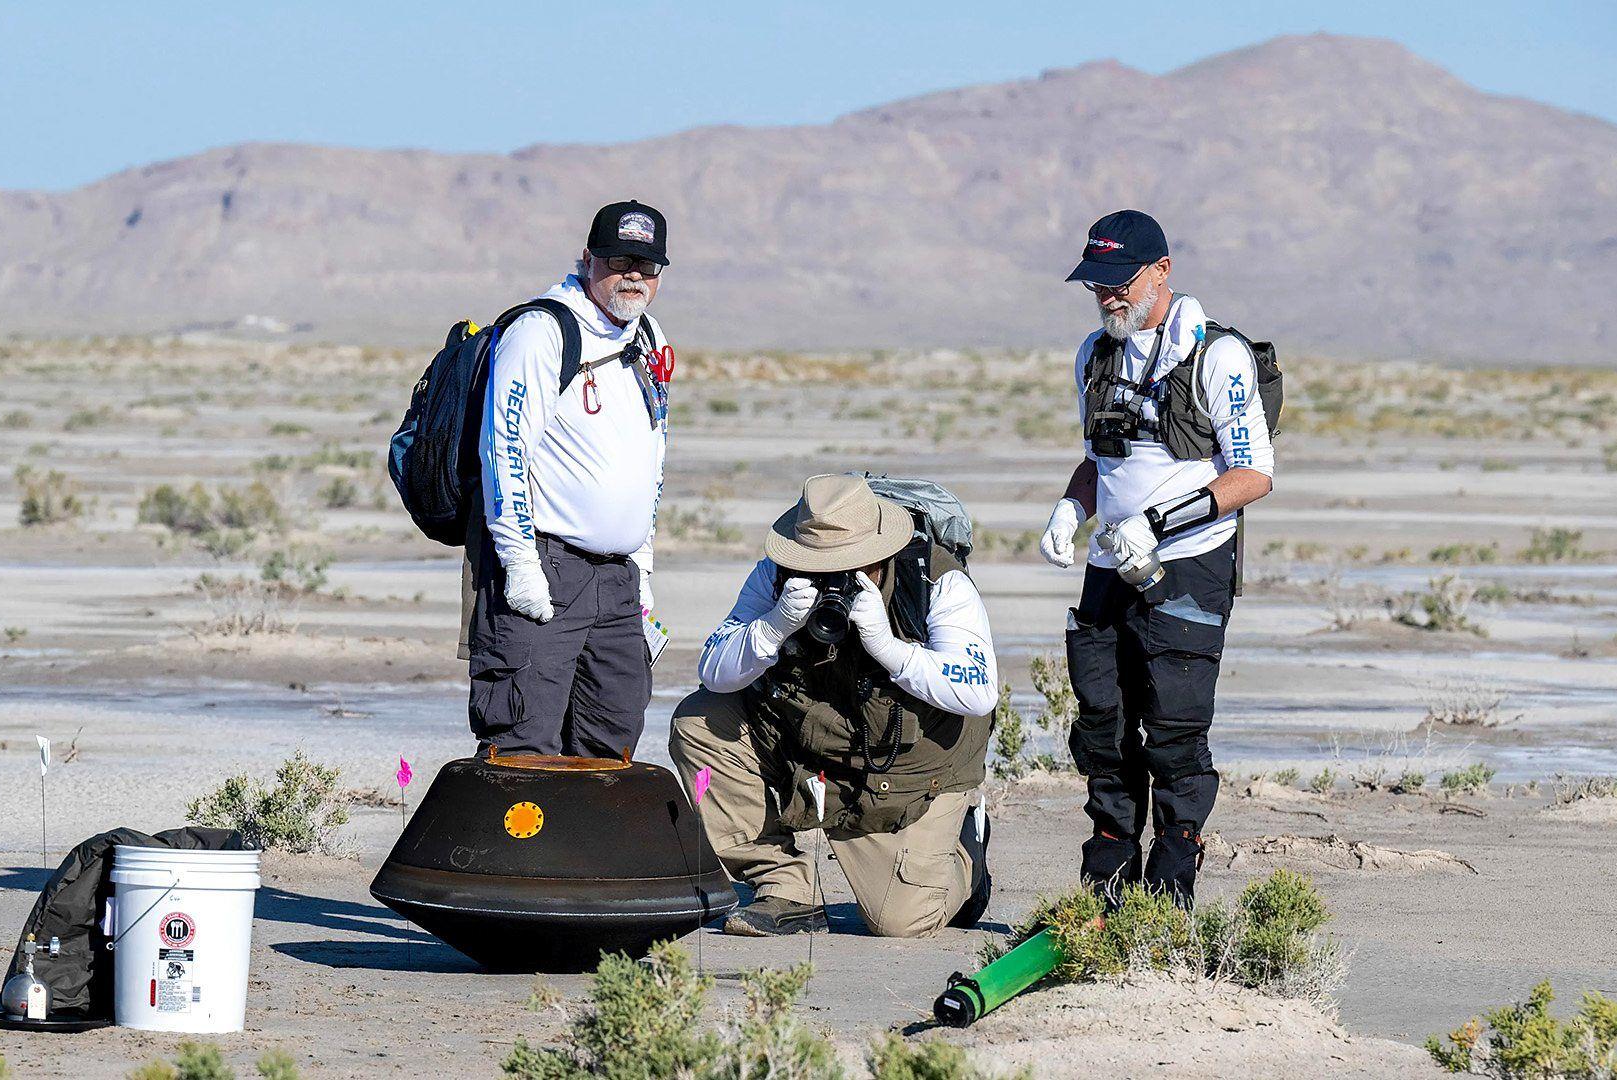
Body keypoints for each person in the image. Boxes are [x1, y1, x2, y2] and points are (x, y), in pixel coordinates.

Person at [1038, 209, 1276, 906]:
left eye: (1119, 282)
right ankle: (1106, 881)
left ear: (1161, 271)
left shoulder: (1217, 356)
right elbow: (1098, 462)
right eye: (1096, 285)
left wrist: (1159, 522)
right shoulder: (1095, 354)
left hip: (1190, 567)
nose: (1108, 296)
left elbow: (1253, 474)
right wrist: (1070, 509)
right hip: (1112, 566)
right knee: (1102, 728)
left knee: (1173, 732)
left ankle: (1170, 889)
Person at [671, 474, 996, 937]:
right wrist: (772, 627)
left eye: (849, 565)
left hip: (909, 775)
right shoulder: (777, 574)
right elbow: (714, 670)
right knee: (700, 721)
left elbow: (980, 689)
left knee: (900, 922)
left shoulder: (936, 582)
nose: (831, 579)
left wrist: (890, 648)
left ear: (882, 553)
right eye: (816, 565)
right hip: (811, 750)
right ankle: (783, 887)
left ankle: (967, 850)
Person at [469, 200, 672, 759]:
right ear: (587, 259)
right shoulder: (542, 331)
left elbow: (651, 453)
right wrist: (519, 566)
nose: (632, 275)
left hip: (619, 580)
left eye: (647, 265)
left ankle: (587, 850)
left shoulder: (647, 335)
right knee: (524, 744)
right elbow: (503, 450)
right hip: (546, 564)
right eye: (617, 260)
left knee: (613, 739)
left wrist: (643, 564)